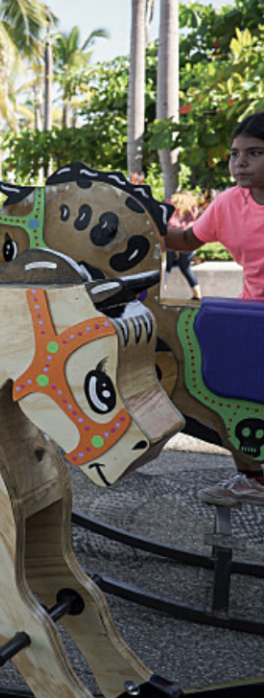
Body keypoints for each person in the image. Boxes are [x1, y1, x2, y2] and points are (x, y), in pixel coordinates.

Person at [164, 110, 264, 506]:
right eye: (235, 154)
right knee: (220, 392)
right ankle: (253, 477)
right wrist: (142, 222)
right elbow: (187, 241)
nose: (239, 162)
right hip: (250, 318)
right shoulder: (228, 204)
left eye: (253, 153)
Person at [164, 190, 203, 300]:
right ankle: (197, 295)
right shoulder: (192, 208)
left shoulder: (170, 203)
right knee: (185, 267)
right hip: (186, 240)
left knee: (166, 268)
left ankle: (160, 294)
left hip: (171, 238)